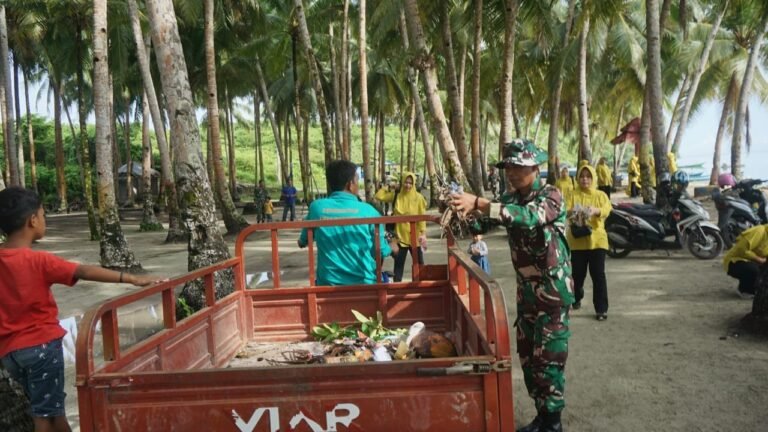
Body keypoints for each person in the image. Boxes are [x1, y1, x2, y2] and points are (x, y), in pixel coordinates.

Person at [0, 187, 163, 432]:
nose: (45, 221)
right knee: (46, 416)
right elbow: (82, 271)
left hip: (10, 353)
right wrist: (130, 278)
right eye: (43, 216)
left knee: (46, 409)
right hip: (41, 348)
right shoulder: (38, 261)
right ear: (32, 220)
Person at [452, 139, 574, 432]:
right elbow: (482, 225)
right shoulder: (510, 199)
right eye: (508, 166)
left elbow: (529, 218)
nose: (512, 172)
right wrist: (460, 212)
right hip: (527, 292)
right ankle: (542, 417)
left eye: (518, 166)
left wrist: (481, 203)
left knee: (548, 358)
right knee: (528, 358)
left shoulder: (551, 195)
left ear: (535, 166)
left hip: (552, 291)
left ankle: (553, 422)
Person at [298, 160, 398, 286]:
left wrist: (303, 241)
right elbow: (380, 251)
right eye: (357, 180)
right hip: (364, 283)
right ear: (350, 184)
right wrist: (392, 246)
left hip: (328, 283)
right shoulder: (369, 211)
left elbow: (302, 241)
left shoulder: (316, 208)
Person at [566, 165, 612, 320]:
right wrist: (572, 212)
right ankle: (576, 297)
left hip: (597, 241)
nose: (585, 179)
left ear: (593, 178)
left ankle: (601, 309)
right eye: (582, 176)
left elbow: (607, 209)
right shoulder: (572, 195)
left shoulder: (601, 195)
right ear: (578, 178)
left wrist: (596, 211)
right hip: (577, 242)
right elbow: (563, 210)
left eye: (588, 176)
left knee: (598, 275)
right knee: (577, 276)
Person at [375, 172, 427, 282]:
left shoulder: (419, 198)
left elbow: (422, 217)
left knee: (420, 266)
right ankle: (397, 290)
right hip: (400, 237)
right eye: (406, 182)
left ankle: (421, 288)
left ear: (413, 184)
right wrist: (389, 186)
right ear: (402, 182)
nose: (408, 185)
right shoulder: (396, 196)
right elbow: (379, 196)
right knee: (398, 268)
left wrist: (423, 234)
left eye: (410, 183)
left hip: (415, 237)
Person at [723, 224, 768, 298]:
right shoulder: (759, 231)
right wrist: (759, 259)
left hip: (755, 262)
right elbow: (742, 250)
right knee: (753, 270)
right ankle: (744, 290)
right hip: (735, 261)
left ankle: (755, 287)